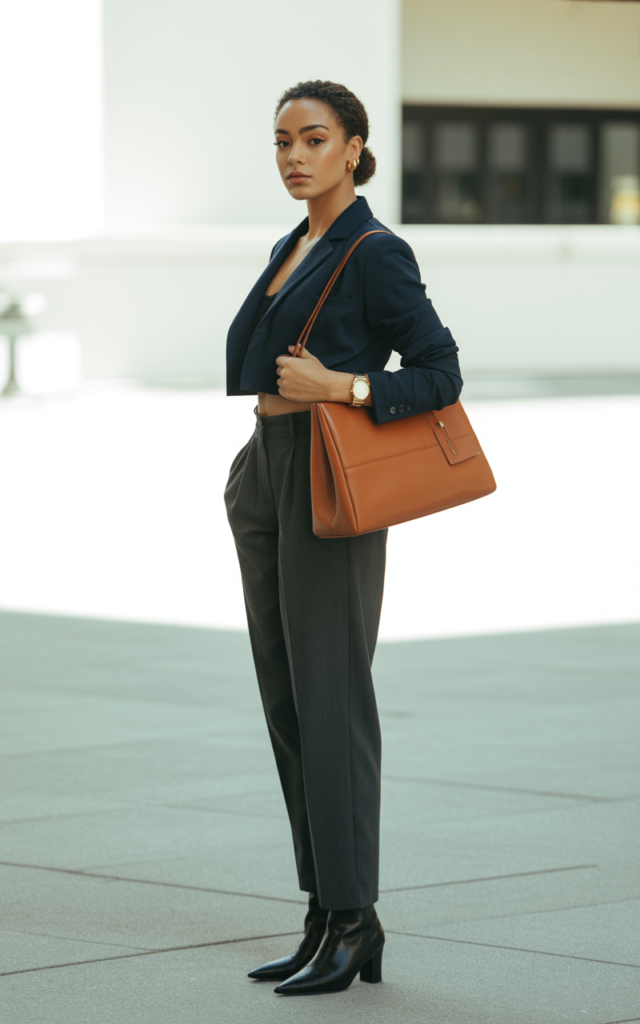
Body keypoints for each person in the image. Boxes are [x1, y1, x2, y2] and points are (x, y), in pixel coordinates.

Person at [224, 80, 462, 996]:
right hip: (268, 467)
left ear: (355, 148)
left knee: (331, 699)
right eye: (281, 140)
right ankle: (324, 909)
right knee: (287, 698)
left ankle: (357, 918)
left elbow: (441, 372)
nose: (293, 155)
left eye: (314, 139)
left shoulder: (375, 249)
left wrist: (351, 389)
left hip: (329, 474)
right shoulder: (295, 244)